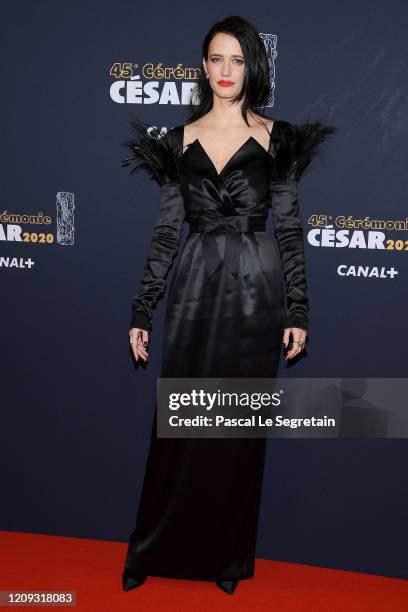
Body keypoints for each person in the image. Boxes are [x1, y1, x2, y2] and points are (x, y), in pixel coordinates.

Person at [121, 15, 337, 596]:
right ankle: (151, 548)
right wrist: (143, 309)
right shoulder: (177, 141)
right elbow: (167, 233)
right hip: (193, 286)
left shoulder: (278, 138)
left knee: (235, 433)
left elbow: (290, 231)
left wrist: (299, 311)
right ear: (203, 65)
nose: (225, 71)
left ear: (253, 67)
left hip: (256, 289)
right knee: (179, 423)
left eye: (237, 60)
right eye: (216, 59)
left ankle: (226, 557)